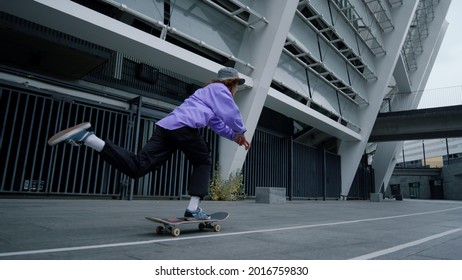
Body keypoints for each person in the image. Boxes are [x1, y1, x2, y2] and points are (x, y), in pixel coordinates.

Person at [48, 67, 250, 220]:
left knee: (138, 166)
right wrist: (240, 131)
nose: (235, 92)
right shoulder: (218, 88)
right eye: (236, 87)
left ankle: (90, 139)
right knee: (203, 160)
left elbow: (217, 123)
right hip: (185, 127)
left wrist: (234, 137)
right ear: (230, 83)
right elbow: (231, 113)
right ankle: (193, 208)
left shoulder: (206, 96)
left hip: (168, 126)